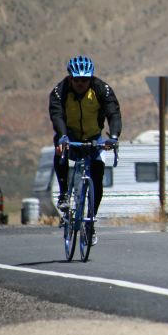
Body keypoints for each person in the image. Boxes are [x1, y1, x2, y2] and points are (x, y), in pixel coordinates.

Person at [48, 55, 121, 245]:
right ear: (70, 78)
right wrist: (63, 136)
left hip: (94, 139)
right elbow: (56, 115)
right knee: (59, 148)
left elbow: (114, 113)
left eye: (85, 80)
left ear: (91, 78)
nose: (81, 83)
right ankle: (64, 193)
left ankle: (90, 222)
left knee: (97, 179)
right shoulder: (59, 91)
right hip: (70, 136)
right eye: (77, 80)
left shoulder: (101, 89)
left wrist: (113, 137)